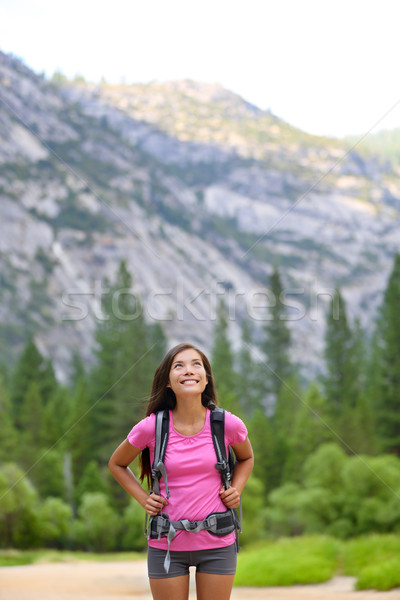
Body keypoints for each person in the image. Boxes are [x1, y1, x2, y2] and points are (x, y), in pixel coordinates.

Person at [108, 342, 254, 600]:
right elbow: (117, 464)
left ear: (206, 379)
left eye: (196, 364)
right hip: (166, 543)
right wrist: (144, 499)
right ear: (167, 381)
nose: (189, 370)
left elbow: (247, 458)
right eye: (179, 366)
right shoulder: (151, 427)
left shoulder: (226, 424)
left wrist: (236, 489)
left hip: (218, 543)